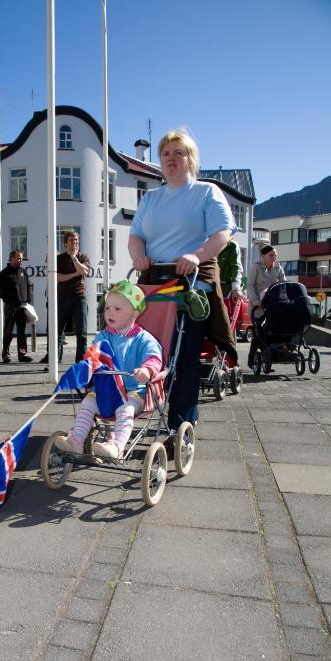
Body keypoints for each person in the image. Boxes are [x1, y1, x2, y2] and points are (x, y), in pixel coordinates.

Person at [128, 129, 237, 446]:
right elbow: (136, 235)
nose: (171, 158)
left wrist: (196, 254)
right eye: (166, 153)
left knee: (184, 356)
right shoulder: (151, 198)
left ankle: (181, 422)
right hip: (153, 287)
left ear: (191, 159)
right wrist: (138, 256)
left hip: (191, 287)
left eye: (179, 152)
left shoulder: (206, 193)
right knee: (152, 355)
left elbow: (222, 234)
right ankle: (144, 412)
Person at [55, 280, 162, 459]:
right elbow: (93, 356)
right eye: (107, 308)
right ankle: (76, 441)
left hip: (134, 392)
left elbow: (154, 358)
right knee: (87, 403)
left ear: (133, 314)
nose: (109, 312)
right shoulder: (103, 336)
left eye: (117, 309)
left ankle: (117, 446)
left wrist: (146, 370)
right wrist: (86, 367)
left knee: (125, 410)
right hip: (107, 391)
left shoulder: (144, 339)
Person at [247, 244, 286, 367]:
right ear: (263, 255)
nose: (273, 257)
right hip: (258, 307)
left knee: (272, 331)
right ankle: (251, 357)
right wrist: (255, 301)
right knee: (258, 333)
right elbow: (250, 285)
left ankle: (273, 352)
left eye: (275, 255)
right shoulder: (256, 267)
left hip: (273, 306)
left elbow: (283, 284)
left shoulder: (278, 268)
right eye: (271, 255)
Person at [56, 231, 90, 363]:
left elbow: (84, 271)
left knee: (82, 332)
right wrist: (74, 274)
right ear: (65, 243)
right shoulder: (59, 259)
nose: (75, 242)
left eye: (76, 240)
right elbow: (57, 277)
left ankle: (80, 361)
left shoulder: (83, 257)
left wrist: (74, 259)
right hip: (63, 297)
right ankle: (55, 360)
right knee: (58, 331)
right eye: (71, 240)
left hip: (79, 297)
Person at [0, 249, 33, 363]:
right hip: (10, 307)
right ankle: (5, 354)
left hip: (23, 307)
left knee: (22, 332)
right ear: (11, 258)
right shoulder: (4, 273)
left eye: (21, 258)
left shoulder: (23, 272)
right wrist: (9, 301)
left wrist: (29, 302)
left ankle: (22, 354)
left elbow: (29, 286)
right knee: (8, 331)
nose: (21, 260)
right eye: (18, 258)